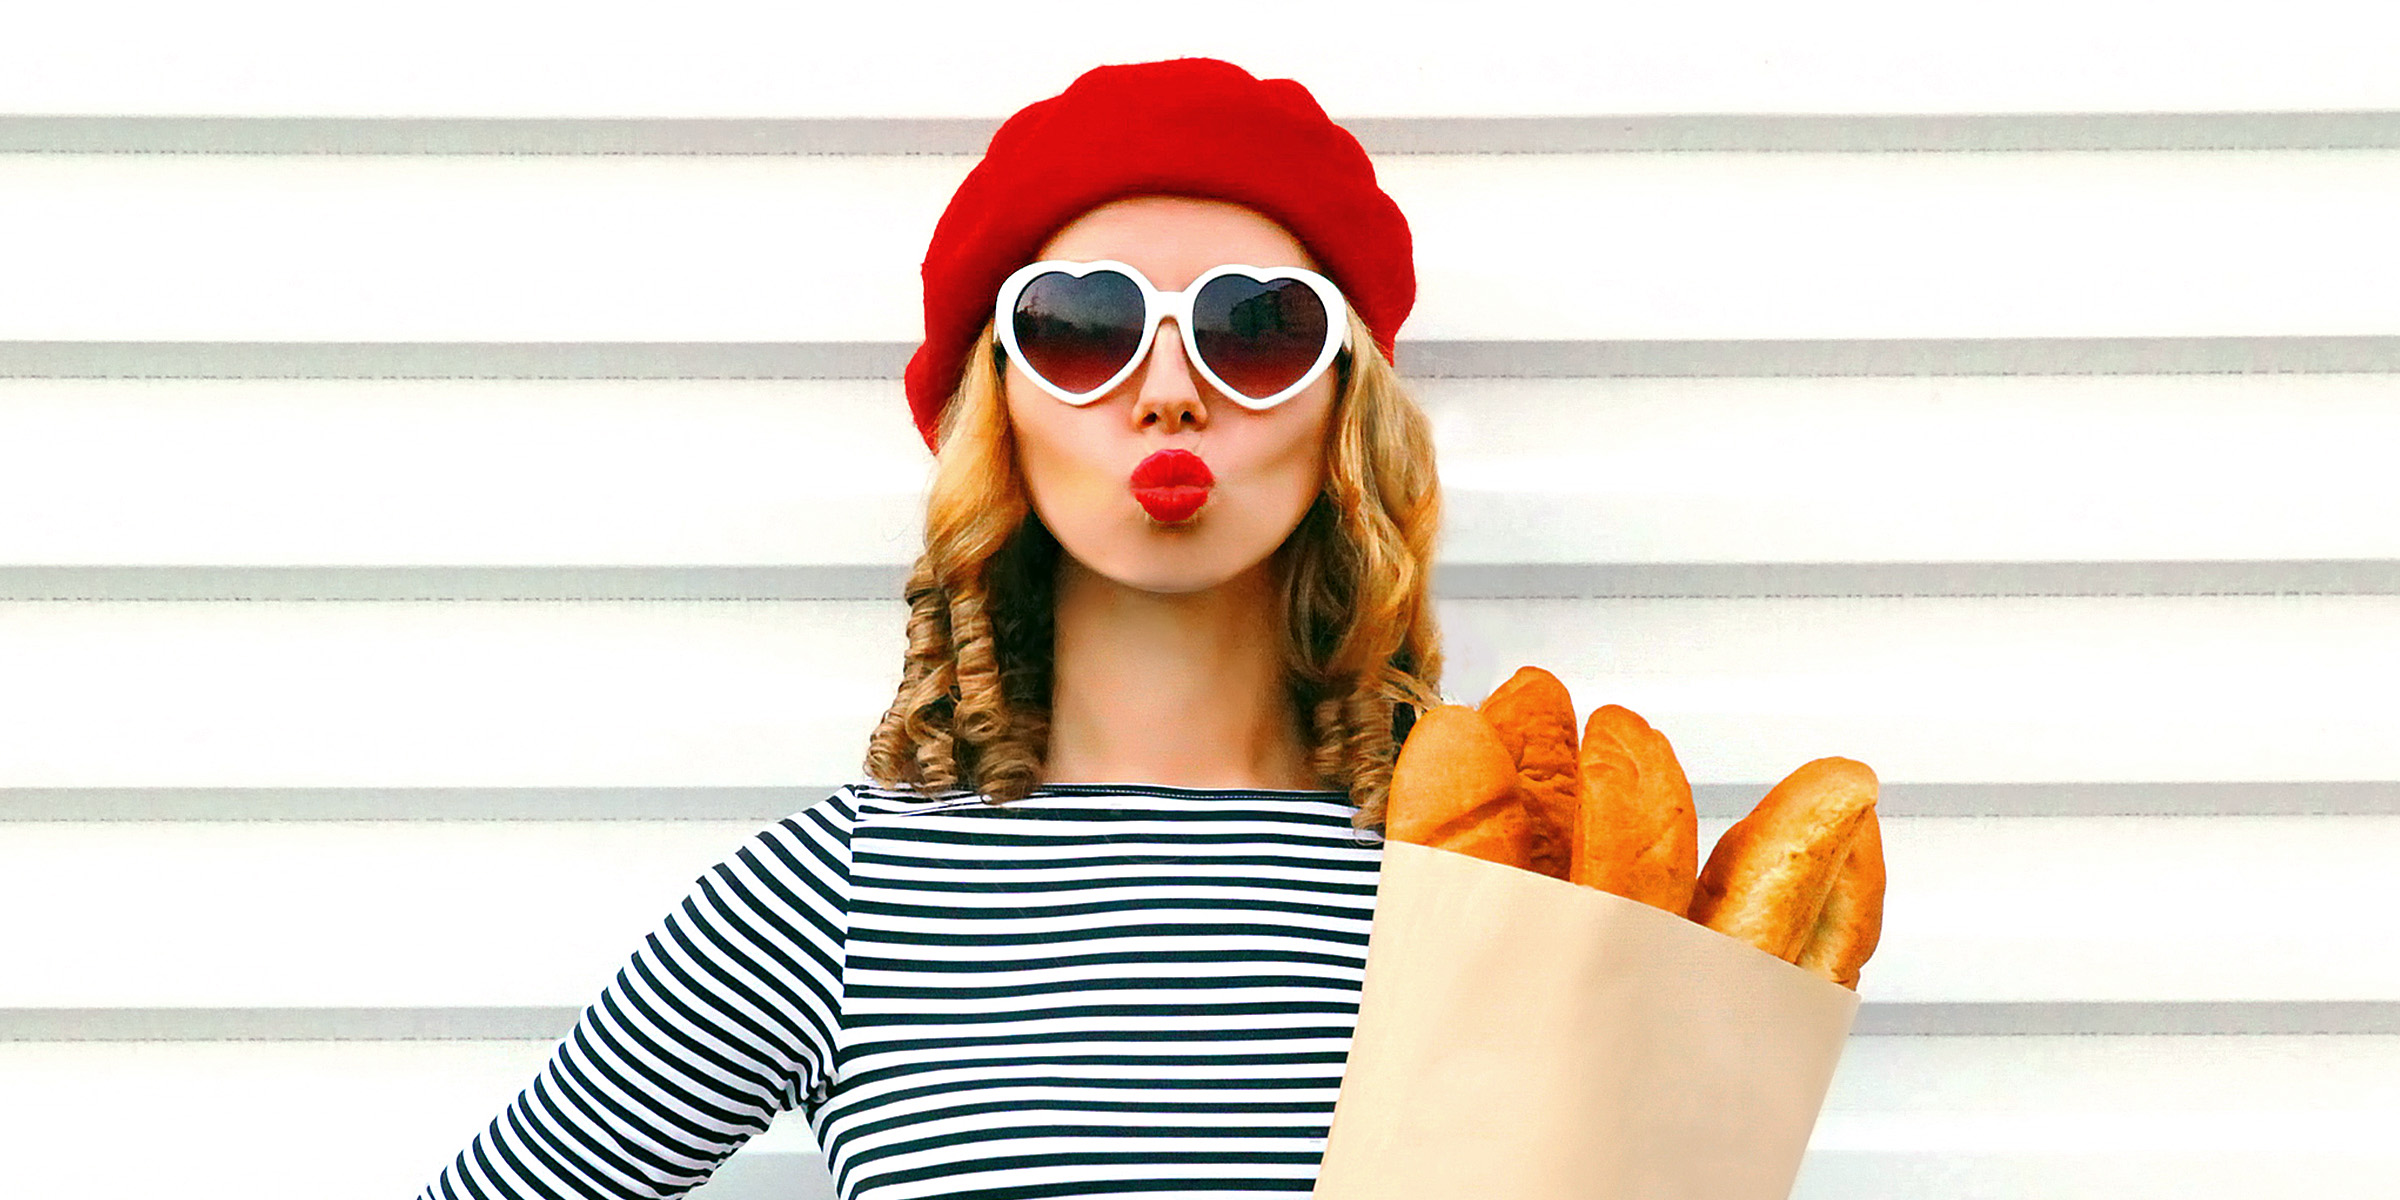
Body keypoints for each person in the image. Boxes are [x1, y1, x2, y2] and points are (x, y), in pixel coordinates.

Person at [422, 57, 1444, 1200]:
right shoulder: (838, 896)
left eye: (1255, 330)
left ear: (1346, 409)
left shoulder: (1487, 884)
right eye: (1083, 327)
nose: (1168, 390)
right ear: (994, 405)